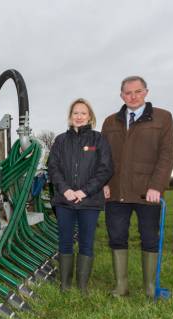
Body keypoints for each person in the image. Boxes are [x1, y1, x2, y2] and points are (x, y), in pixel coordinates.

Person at [102, 76, 173, 297]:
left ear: (146, 92)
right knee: (116, 236)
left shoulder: (163, 118)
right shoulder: (110, 122)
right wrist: (105, 183)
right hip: (116, 191)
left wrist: (157, 185)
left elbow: (167, 155)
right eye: (127, 93)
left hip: (148, 192)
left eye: (137, 91)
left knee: (149, 237)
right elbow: (103, 158)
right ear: (121, 95)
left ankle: (150, 287)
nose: (132, 96)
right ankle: (121, 286)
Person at [47, 98, 113, 294]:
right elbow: (53, 167)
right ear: (70, 117)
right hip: (64, 200)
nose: (79, 116)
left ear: (90, 116)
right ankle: (65, 285)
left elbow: (105, 169)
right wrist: (66, 190)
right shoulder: (60, 140)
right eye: (75, 113)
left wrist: (84, 191)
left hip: (90, 201)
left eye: (83, 113)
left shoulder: (98, 139)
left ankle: (82, 286)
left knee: (86, 241)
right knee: (65, 241)